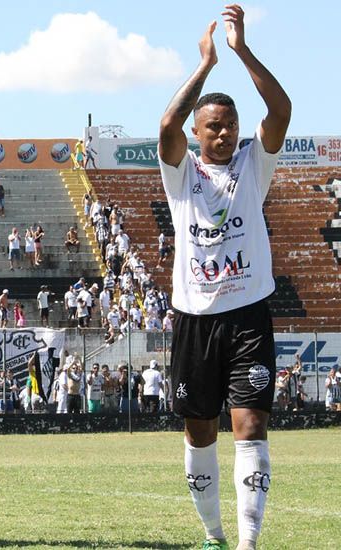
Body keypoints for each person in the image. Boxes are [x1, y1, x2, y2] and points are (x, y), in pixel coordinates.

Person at [158, 7, 291, 550]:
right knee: (199, 433)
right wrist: (206, 65)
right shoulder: (182, 171)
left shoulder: (254, 163)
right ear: (198, 131)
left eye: (230, 126)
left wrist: (241, 50)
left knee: (250, 428)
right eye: (214, 126)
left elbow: (280, 110)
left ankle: (248, 543)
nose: (225, 133)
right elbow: (166, 126)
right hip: (194, 320)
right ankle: (213, 534)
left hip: (248, 316)